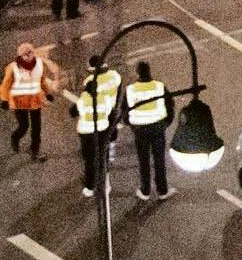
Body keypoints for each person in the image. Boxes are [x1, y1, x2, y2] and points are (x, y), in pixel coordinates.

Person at [0, 41, 59, 160]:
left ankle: (35, 150)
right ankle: (15, 138)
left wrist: (47, 93)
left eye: (30, 52)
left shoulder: (39, 64)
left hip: (35, 101)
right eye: (25, 53)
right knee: (24, 126)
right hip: (19, 102)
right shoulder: (13, 67)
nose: (29, 55)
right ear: (20, 55)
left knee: (37, 127)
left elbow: (40, 80)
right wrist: (4, 99)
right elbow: (6, 84)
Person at [73, 55, 121, 198]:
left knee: (90, 158)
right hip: (109, 111)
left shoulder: (89, 81)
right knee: (107, 145)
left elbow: (84, 98)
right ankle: (107, 178)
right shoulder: (115, 76)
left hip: (93, 120)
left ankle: (90, 186)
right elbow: (120, 93)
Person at [123, 61, 171, 200]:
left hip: (140, 130)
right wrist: (165, 124)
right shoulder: (159, 86)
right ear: (149, 71)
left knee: (143, 161)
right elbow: (170, 106)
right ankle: (162, 190)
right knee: (160, 160)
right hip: (157, 128)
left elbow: (124, 110)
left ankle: (145, 191)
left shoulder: (130, 89)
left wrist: (131, 125)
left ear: (137, 73)